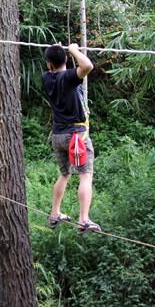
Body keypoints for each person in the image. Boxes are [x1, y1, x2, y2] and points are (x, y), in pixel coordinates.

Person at [42, 43, 99, 234]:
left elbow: (57, 66)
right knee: (85, 174)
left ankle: (55, 212)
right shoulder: (68, 78)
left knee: (65, 173)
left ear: (49, 64)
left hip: (58, 135)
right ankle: (84, 219)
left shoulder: (46, 78)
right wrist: (74, 49)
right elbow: (88, 66)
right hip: (76, 136)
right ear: (66, 59)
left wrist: (58, 52)